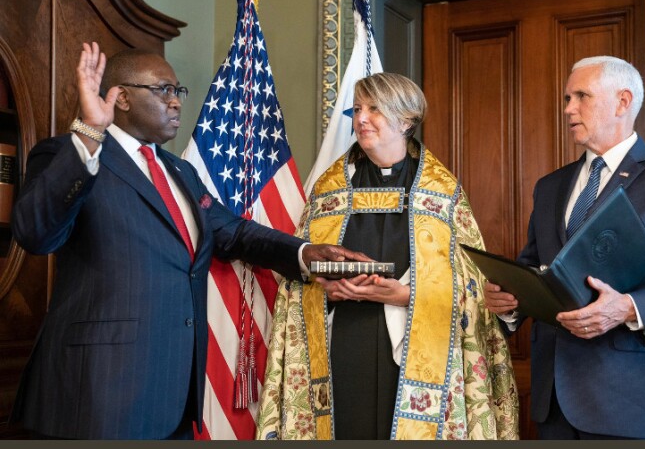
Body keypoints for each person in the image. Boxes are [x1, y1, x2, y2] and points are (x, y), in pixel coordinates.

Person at [9, 42, 368, 440]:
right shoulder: (65, 154)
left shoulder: (180, 170)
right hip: (98, 392)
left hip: (176, 391)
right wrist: (89, 135)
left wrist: (305, 253)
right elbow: (35, 233)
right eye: (163, 90)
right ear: (121, 97)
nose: (176, 102)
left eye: (178, 91)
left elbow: (233, 231)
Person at [256, 72, 519, 440]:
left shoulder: (441, 192)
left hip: (419, 344)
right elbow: (298, 272)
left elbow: (473, 284)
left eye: (375, 109)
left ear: (407, 120)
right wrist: (323, 288)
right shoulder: (329, 189)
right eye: (358, 108)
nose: (361, 118)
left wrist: (407, 295)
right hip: (343, 341)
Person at [484, 56, 645, 440]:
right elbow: (535, 268)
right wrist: (511, 301)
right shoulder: (550, 186)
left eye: (581, 96)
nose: (568, 108)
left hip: (637, 406)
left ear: (622, 102)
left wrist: (629, 309)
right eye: (567, 97)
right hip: (553, 405)